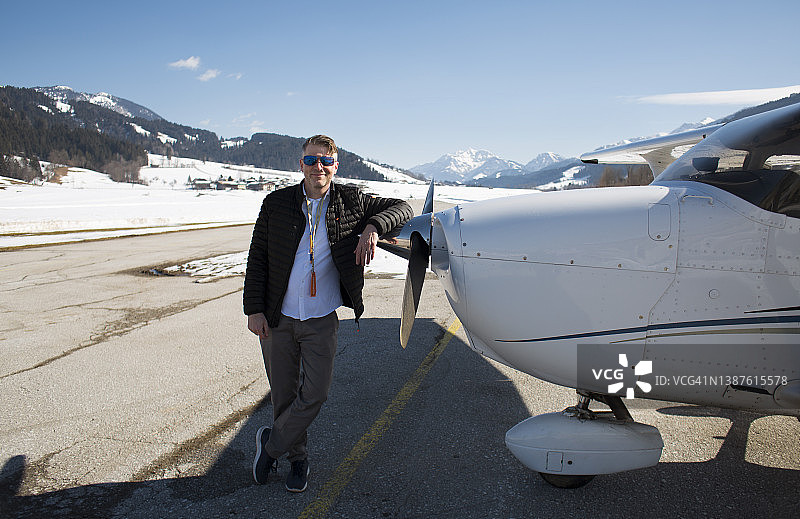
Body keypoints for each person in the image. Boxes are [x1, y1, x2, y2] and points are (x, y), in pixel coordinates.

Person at [243, 134, 413, 492]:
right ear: (300, 164)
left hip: (321, 319)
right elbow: (257, 258)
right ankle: (298, 460)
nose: (317, 167)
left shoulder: (351, 201)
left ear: (335, 166)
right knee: (284, 395)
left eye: (324, 160)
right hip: (278, 319)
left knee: (315, 394)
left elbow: (403, 207)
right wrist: (254, 309)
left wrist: (372, 227)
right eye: (310, 160)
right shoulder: (276, 204)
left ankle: (270, 447)